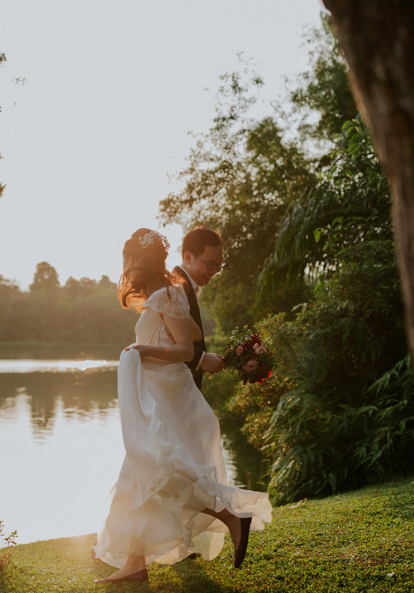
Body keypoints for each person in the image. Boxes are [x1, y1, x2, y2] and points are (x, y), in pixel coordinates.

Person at [92, 228, 271, 585]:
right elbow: (190, 333)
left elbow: (186, 351)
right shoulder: (168, 293)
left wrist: (143, 350)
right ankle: (134, 564)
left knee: (158, 471)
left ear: (137, 261)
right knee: (139, 475)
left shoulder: (164, 293)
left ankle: (231, 515)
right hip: (162, 392)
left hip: (168, 397)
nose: (124, 266)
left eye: (127, 260)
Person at [172, 227, 226, 389]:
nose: (215, 271)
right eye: (210, 264)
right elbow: (165, 341)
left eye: (219, 265)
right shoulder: (174, 289)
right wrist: (201, 359)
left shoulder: (187, 288)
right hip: (171, 390)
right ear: (188, 257)